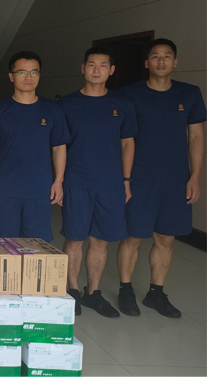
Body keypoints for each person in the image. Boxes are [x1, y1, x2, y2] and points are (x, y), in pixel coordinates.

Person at [117, 38, 207, 318]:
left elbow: (196, 136)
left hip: (175, 179)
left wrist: (195, 176)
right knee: (132, 237)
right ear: (147, 63)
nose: (161, 61)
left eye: (167, 56)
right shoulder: (130, 94)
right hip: (139, 178)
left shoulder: (189, 93)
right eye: (155, 56)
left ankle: (156, 293)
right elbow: (122, 138)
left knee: (166, 239)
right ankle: (125, 289)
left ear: (175, 62)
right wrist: (125, 179)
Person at [59, 47, 137, 318]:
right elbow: (58, 147)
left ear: (111, 70)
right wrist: (58, 181)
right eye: (91, 64)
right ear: (83, 68)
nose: (96, 70)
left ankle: (93, 293)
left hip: (110, 183)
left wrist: (126, 181)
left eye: (103, 65)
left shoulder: (122, 104)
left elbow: (127, 143)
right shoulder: (66, 104)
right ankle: (72, 291)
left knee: (101, 241)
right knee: (74, 239)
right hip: (76, 181)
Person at [0, 51, 70, 241]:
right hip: (4, 190)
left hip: (40, 189)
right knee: (3, 245)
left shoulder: (52, 109)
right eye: (22, 72)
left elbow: (59, 147)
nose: (29, 77)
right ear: (11, 76)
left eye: (34, 72)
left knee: (37, 246)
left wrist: (58, 181)